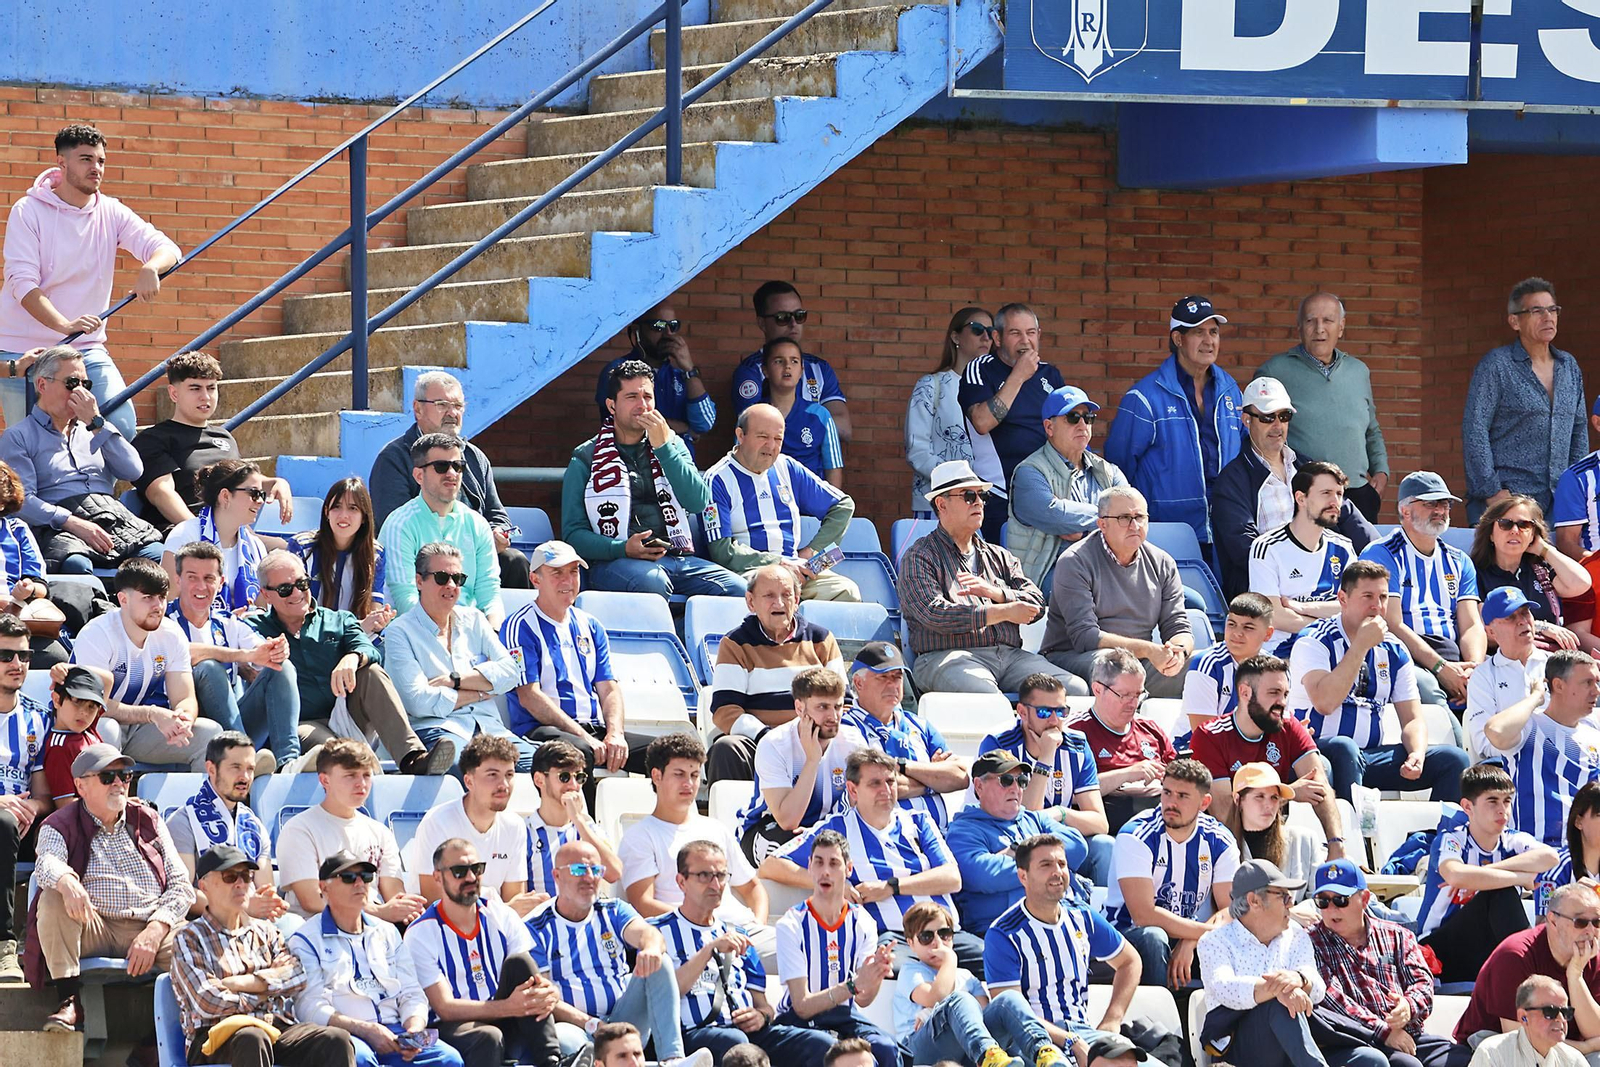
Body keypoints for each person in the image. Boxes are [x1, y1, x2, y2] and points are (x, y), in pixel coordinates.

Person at [0, 123, 180, 438]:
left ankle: (90, 473)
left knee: (119, 427)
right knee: (29, 444)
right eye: (86, 159)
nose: (96, 168)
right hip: (23, 351)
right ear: (62, 162)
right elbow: (21, 284)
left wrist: (151, 267)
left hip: (85, 348)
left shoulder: (111, 211)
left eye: (100, 161)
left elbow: (167, 248)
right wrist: (64, 325)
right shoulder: (28, 211)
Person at [25, 743, 194, 1030]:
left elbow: (181, 884)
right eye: (107, 777)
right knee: (53, 896)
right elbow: (47, 862)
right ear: (81, 786)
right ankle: (69, 1001)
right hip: (94, 925)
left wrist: (155, 930)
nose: (118, 783)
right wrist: (67, 882)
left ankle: (175, 1038)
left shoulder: (149, 819)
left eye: (124, 776)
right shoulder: (59, 823)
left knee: (195, 941)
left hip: (150, 925)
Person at [763, 748, 974, 971]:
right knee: (901, 973)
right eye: (875, 783)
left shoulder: (919, 821)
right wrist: (835, 885)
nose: (886, 790)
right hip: (894, 938)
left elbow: (952, 878)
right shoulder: (836, 828)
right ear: (853, 790)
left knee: (996, 965)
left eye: (890, 781)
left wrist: (891, 887)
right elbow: (771, 865)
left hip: (948, 935)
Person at [248, 550, 453, 777]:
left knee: (371, 671)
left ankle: (413, 758)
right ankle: (357, 767)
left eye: (302, 583)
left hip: (346, 711)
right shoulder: (254, 628)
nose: (297, 593)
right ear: (266, 595)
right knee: (334, 751)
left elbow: (369, 649)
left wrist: (352, 657)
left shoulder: (338, 619)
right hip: (300, 723)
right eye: (285, 589)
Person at [1288, 559, 1471, 804]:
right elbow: (1325, 703)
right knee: (1345, 748)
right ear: (1343, 599)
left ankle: (1440, 829)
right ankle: (1351, 829)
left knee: (1453, 759)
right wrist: (1360, 646)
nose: (1377, 606)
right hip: (1319, 751)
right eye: (1367, 597)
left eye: (1383, 597)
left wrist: (1416, 753)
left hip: (1370, 756)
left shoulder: (1395, 649)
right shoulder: (1315, 640)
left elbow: (1412, 718)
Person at [567, 360, 745, 599]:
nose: (642, 405)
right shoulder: (585, 457)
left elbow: (698, 502)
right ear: (611, 405)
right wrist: (622, 548)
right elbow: (573, 535)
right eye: (632, 397)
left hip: (677, 558)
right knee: (654, 582)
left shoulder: (672, 445)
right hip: (613, 561)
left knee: (739, 590)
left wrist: (663, 448)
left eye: (648, 397)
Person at [169, 844, 357, 1067]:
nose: (241, 884)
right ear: (204, 886)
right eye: (230, 876)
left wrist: (244, 983)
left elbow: (297, 976)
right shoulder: (189, 938)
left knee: (336, 1039)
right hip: (215, 1035)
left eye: (246, 876)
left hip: (274, 1025)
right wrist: (265, 992)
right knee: (252, 1038)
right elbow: (208, 1001)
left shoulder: (266, 931)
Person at [899, 459, 1071, 696]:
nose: (979, 502)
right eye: (969, 496)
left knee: (1073, 689)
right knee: (985, 696)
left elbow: (1037, 604)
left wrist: (997, 594)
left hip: (1010, 657)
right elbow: (934, 614)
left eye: (982, 496)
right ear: (942, 504)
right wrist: (1003, 611)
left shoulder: (999, 555)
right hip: (946, 657)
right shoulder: (920, 555)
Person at [650, 839, 832, 1061]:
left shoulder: (738, 934)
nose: (715, 885)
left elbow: (764, 1005)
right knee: (736, 1043)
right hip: (694, 1036)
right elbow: (659, 993)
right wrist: (710, 950)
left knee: (822, 1045)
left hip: (747, 1035)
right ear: (681, 881)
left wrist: (761, 1016)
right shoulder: (655, 932)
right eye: (704, 876)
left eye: (721, 876)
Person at [527, 838, 698, 1062]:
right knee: (561, 1037)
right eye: (579, 869)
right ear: (556, 876)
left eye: (596, 870)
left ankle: (673, 1059)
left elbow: (649, 934)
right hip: (578, 1026)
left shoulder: (613, 910)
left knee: (659, 960)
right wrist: (591, 1023)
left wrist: (651, 948)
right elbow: (545, 998)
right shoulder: (536, 927)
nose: (589, 877)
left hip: (623, 1020)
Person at [288, 849, 462, 1067]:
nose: (360, 883)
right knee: (360, 1059)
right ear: (324, 887)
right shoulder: (305, 939)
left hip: (396, 1030)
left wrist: (414, 1029)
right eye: (349, 877)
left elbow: (412, 992)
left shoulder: (387, 931)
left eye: (366, 876)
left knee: (449, 1059)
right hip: (347, 1034)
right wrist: (365, 1029)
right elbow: (309, 1007)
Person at [401, 839, 564, 1067]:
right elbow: (445, 1008)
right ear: (437, 877)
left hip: (503, 1012)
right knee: (488, 1037)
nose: (470, 878)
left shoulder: (501, 915)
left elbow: (530, 976)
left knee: (520, 962)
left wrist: (547, 993)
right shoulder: (421, 933)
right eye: (459, 871)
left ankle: (553, 1061)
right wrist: (510, 1007)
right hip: (451, 1026)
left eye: (477, 869)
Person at [0, 345, 163, 573]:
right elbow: (22, 501)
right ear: (42, 385)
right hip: (59, 526)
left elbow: (133, 470)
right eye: (71, 383)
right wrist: (71, 522)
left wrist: (96, 422)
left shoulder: (95, 428)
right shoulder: (18, 436)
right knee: (76, 565)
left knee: (162, 556)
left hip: (110, 516)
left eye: (85, 385)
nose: (80, 392)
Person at [1102, 295, 1245, 554]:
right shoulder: (1144, 397)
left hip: (1226, 530)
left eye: (1213, 332)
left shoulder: (1231, 391)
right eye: (1198, 332)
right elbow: (1118, 470)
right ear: (1178, 339)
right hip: (1167, 534)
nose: (1209, 340)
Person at [501, 539, 648, 784]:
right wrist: (582, 736)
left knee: (669, 754)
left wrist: (615, 734)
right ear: (535, 579)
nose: (568, 581)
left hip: (593, 728)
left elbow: (608, 688)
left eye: (573, 571)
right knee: (579, 754)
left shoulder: (591, 625)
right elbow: (529, 696)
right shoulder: (520, 626)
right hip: (540, 730)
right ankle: (582, 811)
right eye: (557, 573)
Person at [985, 833, 1140, 1061]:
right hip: (1034, 1042)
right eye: (1046, 865)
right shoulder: (1003, 934)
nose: (1057, 871)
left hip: (1085, 1034)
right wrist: (1070, 1040)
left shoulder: (1082, 915)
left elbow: (1130, 961)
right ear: (1023, 876)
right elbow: (1011, 1014)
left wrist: (1112, 1020)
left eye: (1062, 864)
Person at [1214, 381, 1370, 601]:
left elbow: (1348, 517)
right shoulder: (1230, 481)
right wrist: (1299, 570)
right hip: (1269, 589)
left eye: (1284, 416)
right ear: (1246, 420)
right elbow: (1244, 551)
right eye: (1267, 417)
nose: (1277, 425)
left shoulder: (1307, 467)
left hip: (1326, 581)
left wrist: (1379, 555)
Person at [370, 371, 529, 586]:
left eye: (458, 406)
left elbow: (497, 513)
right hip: (421, 561)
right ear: (418, 409)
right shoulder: (394, 458)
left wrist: (497, 532)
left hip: (475, 555)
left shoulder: (475, 457)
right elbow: (395, 528)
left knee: (515, 562)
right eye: (442, 404)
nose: (452, 413)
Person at [383, 541, 532, 772]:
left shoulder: (475, 619)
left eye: (458, 578)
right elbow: (418, 701)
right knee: (467, 767)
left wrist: (455, 681)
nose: (451, 585)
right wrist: (481, 692)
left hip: (491, 730)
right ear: (419, 581)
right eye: (442, 577)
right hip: (439, 731)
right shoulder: (399, 632)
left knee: (545, 768)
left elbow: (512, 673)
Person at [67, 557, 221, 771]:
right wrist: (152, 714)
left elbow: (184, 697)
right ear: (123, 599)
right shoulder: (97, 634)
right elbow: (94, 706)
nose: (158, 606)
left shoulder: (171, 634)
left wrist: (182, 719)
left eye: (162, 597)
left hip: (137, 727)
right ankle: (104, 793)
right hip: (86, 724)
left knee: (210, 734)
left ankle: (202, 795)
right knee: (107, 728)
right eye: (148, 597)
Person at [1306, 858, 1461, 1067]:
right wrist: (1383, 1030)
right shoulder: (1310, 942)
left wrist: (1408, 1006)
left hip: (1409, 1034)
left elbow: (1423, 983)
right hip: (1355, 1041)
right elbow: (1332, 1000)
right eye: (1323, 902)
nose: (1331, 909)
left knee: (1466, 1058)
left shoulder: (1397, 935)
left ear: (1364, 899)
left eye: (1341, 900)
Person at [1041, 486, 1192, 699]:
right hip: (1077, 660)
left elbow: (1177, 625)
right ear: (1102, 524)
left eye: (1140, 517)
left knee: (1206, 665)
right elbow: (1086, 637)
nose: (1134, 525)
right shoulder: (1075, 561)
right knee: (1113, 665)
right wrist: (1149, 650)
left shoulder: (1163, 562)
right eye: (1124, 518)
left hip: (1138, 663)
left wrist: (1178, 652)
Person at [617, 734, 771, 941]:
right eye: (679, 774)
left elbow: (753, 887)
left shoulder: (716, 828)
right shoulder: (639, 837)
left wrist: (758, 925)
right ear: (656, 776)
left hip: (743, 932)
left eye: (695, 775)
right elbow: (643, 904)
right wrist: (708, 926)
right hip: (691, 937)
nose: (689, 784)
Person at [1256, 291, 1391, 523]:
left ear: (1341, 327)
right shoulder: (1274, 372)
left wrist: (1381, 471)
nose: (1319, 329)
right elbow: (1258, 434)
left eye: (1328, 320)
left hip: (1357, 494)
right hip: (1305, 495)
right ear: (1299, 327)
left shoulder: (1359, 371)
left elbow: (1371, 429)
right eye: (1311, 321)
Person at [1416, 761, 1556, 983]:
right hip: (1439, 951)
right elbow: (1456, 875)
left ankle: (1535, 978)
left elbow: (1550, 857)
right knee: (1501, 893)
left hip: (1486, 949)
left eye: (1507, 801)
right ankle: (1536, 978)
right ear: (1467, 807)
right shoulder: (1452, 839)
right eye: (1492, 801)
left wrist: (1483, 873)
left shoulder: (1513, 840)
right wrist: (1520, 877)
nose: (1502, 810)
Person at [706, 402, 860, 601]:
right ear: (740, 435)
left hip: (796, 571)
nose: (771, 446)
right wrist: (779, 563)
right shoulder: (717, 479)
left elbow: (842, 505)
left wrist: (811, 554)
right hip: (750, 573)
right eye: (763, 437)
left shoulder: (787, 467)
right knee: (773, 595)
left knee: (847, 591)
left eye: (778, 439)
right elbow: (722, 551)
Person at [1462, 278, 1588, 521]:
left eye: (1552, 309)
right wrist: (1492, 492)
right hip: (1506, 502)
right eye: (1537, 311)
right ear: (1515, 321)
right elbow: (1474, 429)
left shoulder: (1569, 367)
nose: (1548, 317)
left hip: (1559, 505)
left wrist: (1576, 487)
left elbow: (1578, 431)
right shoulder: (1497, 365)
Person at [1106, 758, 1238, 989]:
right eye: (1167, 792)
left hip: (1189, 931)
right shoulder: (1136, 835)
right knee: (1154, 938)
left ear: (1204, 802)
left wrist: (1191, 940)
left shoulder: (1220, 840)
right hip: (1129, 932)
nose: (1171, 803)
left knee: (1240, 937)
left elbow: (1230, 909)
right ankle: (1158, 1009)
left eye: (1182, 796)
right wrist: (1205, 932)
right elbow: (1143, 915)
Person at [1359, 471, 1487, 708]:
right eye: (1430, 503)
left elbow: (1471, 624)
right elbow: (1392, 624)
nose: (1440, 510)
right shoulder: (1382, 554)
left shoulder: (1459, 560)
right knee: (1431, 695)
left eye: (1445, 503)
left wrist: (1474, 671)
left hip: (1453, 656)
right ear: (1405, 510)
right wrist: (1441, 668)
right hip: (1403, 655)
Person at [771, 828, 898, 1067]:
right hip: (795, 1022)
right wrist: (854, 985)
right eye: (819, 862)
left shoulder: (863, 922)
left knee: (886, 1048)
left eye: (834, 863)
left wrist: (875, 975)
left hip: (844, 1017)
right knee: (825, 1046)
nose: (825, 872)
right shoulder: (791, 924)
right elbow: (802, 1006)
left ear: (848, 869)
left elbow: (863, 1000)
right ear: (809, 866)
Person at [707, 564, 844, 783]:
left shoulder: (821, 640)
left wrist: (813, 736)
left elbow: (845, 702)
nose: (779, 603)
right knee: (727, 749)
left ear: (797, 600)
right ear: (751, 602)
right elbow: (725, 710)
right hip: (761, 741)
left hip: (816, 739)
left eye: (786, 595)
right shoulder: (735, 644)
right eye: (769, 596)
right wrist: (768, 736)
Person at [1190, 653, 1343, 849]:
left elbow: (1319, 785)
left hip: (1272, 836)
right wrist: (1286, 793)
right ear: (1245, 692)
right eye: (1274, 693)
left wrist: (1336, 844)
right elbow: (1225, 814)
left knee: (1308, 842)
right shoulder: (1210, 736)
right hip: (1224, 848)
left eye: (1285, 694)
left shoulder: (1288, 725)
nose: (1282, 702)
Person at [168, 541, 298, 771]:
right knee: (209, 667)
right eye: (192, 577)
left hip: (233, 724)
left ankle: (288, 763)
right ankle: (244, 757)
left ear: (221, 582)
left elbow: (261, 652)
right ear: (178, 580)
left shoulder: (229, 622)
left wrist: (276, 650)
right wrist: (243, 655)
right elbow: (183, 651)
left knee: (282, 667)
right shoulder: (164, 620)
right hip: (184, 728)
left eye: (209, 578)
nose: (201, 586)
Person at [974, 672, 1113, 884]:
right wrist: (1046, 758)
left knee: (1105, 846)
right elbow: (1023, 819)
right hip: (1010, 842)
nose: (1054, 720)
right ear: (1022, 712)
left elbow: (1100, 823)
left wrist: (1060, 813)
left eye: (1061, 711)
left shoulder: (1077, 745)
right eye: (1044, 712)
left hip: (1059, 841)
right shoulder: (999, 744)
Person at [132, 351, 293, 530]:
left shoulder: (225, 437)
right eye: (195, 388)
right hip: (183, 533)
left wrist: (275, 483)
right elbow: (162, 494)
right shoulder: (153, 439)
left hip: (233, 532)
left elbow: (242, 481)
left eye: (211, 388)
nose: (206, 396)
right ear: (174, 393)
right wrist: (204, 531)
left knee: (293, 545)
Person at [1194, 859, 1332, 1067]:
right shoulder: (1214, 941)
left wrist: (1299, 979)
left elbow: (1318, 989)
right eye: (1284, 897)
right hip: (1240, 1048)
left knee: (1368, 1059)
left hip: (1295, 1043)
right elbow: (1225, 988)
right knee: (1278, 1004)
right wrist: (1278, 989)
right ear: (1254, 901)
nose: (1291, 904)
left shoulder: (1297, 935)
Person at [274, 739, 427, 923]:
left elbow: (393, 893)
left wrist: (406, 909)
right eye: (350, 775)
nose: (361, 784)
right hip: (319, 930)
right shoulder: (299, 829)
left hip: (374, 929)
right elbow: (312, 900)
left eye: (367, 775)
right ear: (325, 780)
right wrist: (379, 912)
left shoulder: (380, 832)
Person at [894, 899, 1055, 1067]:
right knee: (960, 999)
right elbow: (936, 997)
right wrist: (950, 959)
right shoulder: (911, 971)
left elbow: (982, 1019)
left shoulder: (966, 976)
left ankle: (1043, 1052)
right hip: (918, 1053)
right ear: (911, 943)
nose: (938, 943)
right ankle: (988, 1055)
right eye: (926, 937)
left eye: (944, 934)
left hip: (968, 1052)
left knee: (1008, 999)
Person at [946, 751, 1089, 935]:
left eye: (1021, 781)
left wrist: (1018, 851)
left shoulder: (1033, 818)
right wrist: (1047, 859)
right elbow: (985, 876)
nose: (1016, 788)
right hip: (1006, 931)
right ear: (979, 786)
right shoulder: (963, 831)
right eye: (1006, 780)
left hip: (1065, 915)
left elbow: (1077, 846)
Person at [1008, 384, 1129, 592]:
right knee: (1104, 596)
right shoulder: (1029, 472)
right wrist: (1113, 519)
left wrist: (1083, 532)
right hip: (1049, 575)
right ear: (1049, 427)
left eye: (1088, 418)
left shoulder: (1108, 471)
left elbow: (1134, 514)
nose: (1082, 425)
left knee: (1182, 598)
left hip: (1108, 568)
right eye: (1073, 417)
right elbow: (1056, 515)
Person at [1453, 882, 1600, 1054]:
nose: (1591, 931)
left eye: (1597, 922)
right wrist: (1585, 1048)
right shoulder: (1515, 956)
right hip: (1494, 1046)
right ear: (1553, 921)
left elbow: (1595, 1032)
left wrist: (1575, 975)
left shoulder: (1592, 956)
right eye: (1580, 922)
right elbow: (1520, 1041)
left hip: (1561, 1048)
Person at [840, 641, 970, 832]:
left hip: (940, 835)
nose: (892, 684)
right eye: (883, 677)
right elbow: (875, 788)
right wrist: (933, 779)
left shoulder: (919, 724)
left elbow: (960, 777)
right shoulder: (847, 728)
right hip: (884, 838)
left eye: (897, 677)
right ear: (859, 683)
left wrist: (903, 767)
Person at [738, 666, 863, 862]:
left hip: (828, 826)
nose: (833, 717)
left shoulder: (853, 741)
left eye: (837, 707)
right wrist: (812, 760)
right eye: (822, 707)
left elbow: (865, 801)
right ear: (799, 708)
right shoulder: (774, 744)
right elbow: (788, 820)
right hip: (770, 827)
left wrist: (820, 831)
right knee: (791, 849)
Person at [378, 434, 504, 625]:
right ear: (419, 476)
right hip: (414, 631)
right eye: (441, 466)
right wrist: (446, 634)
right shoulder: (399, 524)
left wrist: (494, 632)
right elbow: (405, 598)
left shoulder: (478, 524)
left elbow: (490, 593)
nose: (452, 473)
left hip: (469, 629)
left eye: (458, 466)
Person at [1482, 649, 1600, 847]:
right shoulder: (1529, 726)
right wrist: (1536, 696)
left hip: (1585, 853)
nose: (1596, 691)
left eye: (1597, 682)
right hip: (1536, 849)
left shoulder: (1594, 735)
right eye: (1587, 682)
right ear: (1558, 685)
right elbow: (1495, 730)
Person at [165, 731, 285, 918]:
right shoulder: (183, 821)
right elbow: (183, 893)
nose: (245, 777)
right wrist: (241, 908)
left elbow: (266, 889)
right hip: (206, 924)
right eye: (236, 767)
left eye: (250, 769)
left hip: (253, 923)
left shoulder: (254, 825)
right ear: (211, 769)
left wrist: (270, 905)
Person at [1247, 461, 1361, 656]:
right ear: (1301, 498)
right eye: (1326, 493)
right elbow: (1275, 616)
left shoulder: (1343, 547)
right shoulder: (1267, 547)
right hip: (1282, 653)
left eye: (1339, 494)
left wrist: (1304, 607)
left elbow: (1355, 608)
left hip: (1335, 650)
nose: (1335, 501)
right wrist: (1332, 624)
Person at [958, 304, 1067, 509]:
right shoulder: (981, 368)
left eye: (1031, 333)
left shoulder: (1050, 374)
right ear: (997, 338)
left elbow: (1067, 430)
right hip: (999, 493)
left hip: (1047, 490)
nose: (1025, 341)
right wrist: (1019, 375)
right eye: (1015, 333)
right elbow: (982, 422)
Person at [412, 734, 534, 910]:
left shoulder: (515, 825)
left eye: (509, 775)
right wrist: (499, 909)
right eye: (492, 775)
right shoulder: (437, 822)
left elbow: (516, 900)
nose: (504, 785)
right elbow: (434, 902)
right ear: (469, 781)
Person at [1066, 650, 1179, 832]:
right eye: (1124, 695)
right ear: (1098, 689)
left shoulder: (1150, 728)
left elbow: (1179, 777)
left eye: (1138, 694)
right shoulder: (1074, 732)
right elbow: (1064, 793)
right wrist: (1128, 774)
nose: (1133, 703)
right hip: (1109, 824)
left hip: (1161, 818)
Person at [906, 306, 993, 518]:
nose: (985, 337)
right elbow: (917, 450)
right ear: (955, 337)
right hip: (938, 503)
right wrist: (960, 483)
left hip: (987, 502)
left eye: (991, 332)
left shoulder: (1000, 391)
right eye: (977, 329)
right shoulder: (931, 385)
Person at [0, 610, 49, 981]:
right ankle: (5, 945)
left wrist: (31, 806)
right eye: (6, 655)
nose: (17, 664)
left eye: (24, 655)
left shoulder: (39, 718)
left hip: (24, 824)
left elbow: (45, 794)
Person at [595, 302, 715, 454]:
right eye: (658, 326)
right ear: (637, 331)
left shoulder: (680, 373)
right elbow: (629, 424)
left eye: (673, 326)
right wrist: (685, 428)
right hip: (635, 463)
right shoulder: (618, 370)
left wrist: (689, 370)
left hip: (678, 464)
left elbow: (705, 423)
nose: (668, 333)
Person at [1472, 496, 1590, 650]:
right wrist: (1541, 627)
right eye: (1505, 524)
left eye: (1524, 525)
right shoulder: (1475, 572)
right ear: (1491, 534)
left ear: (1533, 534)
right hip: (1506, 658)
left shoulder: (1541, 569)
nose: (1515, 531)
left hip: (1552, 656)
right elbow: (1485, 628)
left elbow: (1581, 584)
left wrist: (1544, 549)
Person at [733, 281, 850, 435]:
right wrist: (816, 421)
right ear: (762, 323)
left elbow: (844, 428)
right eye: (782, 317)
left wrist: (799, 426)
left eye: (799, 315)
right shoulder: (751, 370)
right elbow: (754, 428)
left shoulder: (820, 368)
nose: (793, 323)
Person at [160, 459, 273, 610]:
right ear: (225, 496)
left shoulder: (255, 546)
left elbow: (263, 608)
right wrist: (224, 621)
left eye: (262, 495)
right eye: (253, 493)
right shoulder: (184, 536)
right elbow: (168, 602)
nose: (260, 501)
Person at [523, 739, 623, 901]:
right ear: (539, 780)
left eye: (580, 777)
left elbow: (614, 873)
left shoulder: (589, 828)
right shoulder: (523, 832)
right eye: (564, 777)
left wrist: (578, 819)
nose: (573, 785)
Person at [290, 477, 393, 634]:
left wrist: (379, 620)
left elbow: (373, 609)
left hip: (355, 635)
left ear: (364, 516)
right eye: (336, 507)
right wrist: (352, 628)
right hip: (308, 634)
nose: (343, 515)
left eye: (353, 508)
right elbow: (294, 611)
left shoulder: (375, 554)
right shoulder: (302, 548)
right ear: (327, 512)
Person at [1465, 587, 1551, 761]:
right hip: (1510, 764)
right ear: (1490, 631)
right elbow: (1484, 744)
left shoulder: (1556, 664)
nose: (1522, 621)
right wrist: (1534, 749)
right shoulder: (1482, 676)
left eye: (1525, 613)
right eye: (1510, 617)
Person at [0, 459, 70, 668]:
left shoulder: (17, 530)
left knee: (55, 656)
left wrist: (27, 590)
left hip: (14, 616)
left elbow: (39, 585)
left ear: (2, 502)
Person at [1222, 764, 1320, 903]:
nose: (1268, 805)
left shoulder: (1305, 839)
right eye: (1259, 796)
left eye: (1274, 797)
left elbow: (1321, 899)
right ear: (1238, 800)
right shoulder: (1221, 846)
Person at [758, 338, 844, 485]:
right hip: (766, 496)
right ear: (765, 370)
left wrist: (832, 500)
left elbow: (833, 469)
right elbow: (741, 464)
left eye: (794, 361)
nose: (787, 366)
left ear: (801, 371)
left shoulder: (820, 415)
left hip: (810, 498)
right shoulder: (753, 416)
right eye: (779, 361)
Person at [1469, 976, 1587, 1067]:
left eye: (1566, 1012)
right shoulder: (1492, 1054)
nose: (1560, 1018)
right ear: (1523, 1017)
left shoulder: (1573, 1061)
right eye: (1550, 1011)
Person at [38, 662, 103, 813]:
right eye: (77, 702)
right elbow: (65, 806)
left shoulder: (88, 728)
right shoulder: (59, 748)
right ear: (56, 700)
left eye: (92, 706)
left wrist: (70, 667)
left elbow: (108, 679)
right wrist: (107, 804)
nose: (84, 712)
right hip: (85, 821)